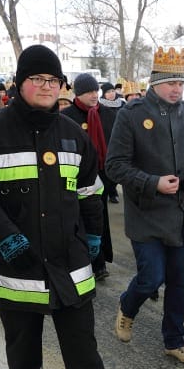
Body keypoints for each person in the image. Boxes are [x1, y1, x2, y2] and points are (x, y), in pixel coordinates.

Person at [0, 44, 136, 369]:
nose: (45, 86)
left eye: (52, 80)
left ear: (61, 86)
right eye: (36, 79)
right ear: (20, 83)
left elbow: (91, 191)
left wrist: (93, 237)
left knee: (82, 345)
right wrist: (7, 240)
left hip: (68, 264)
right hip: (17, 266)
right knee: (23, 347)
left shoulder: (73, 135)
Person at [106, 46, 184, 367]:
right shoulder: (132, 115)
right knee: (151, 278)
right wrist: (153, 182)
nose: (177, 89)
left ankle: (174, 340)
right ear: (154, 82)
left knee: (180, 282)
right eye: (170, 83)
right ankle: (128, 306)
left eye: (180, 83)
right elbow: (115, 166)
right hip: (148, 214)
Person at [61, 72, 118, 282]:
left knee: (99, 220)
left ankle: (100, 262)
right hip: (75, 177)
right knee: (78, 221)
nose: (94, 95)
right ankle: (81, 263)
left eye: (96, 90)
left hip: (100, 177)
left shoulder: (106, 113)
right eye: (88, 91)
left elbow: (114, 141)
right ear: (78, 94)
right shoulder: (67, 116)